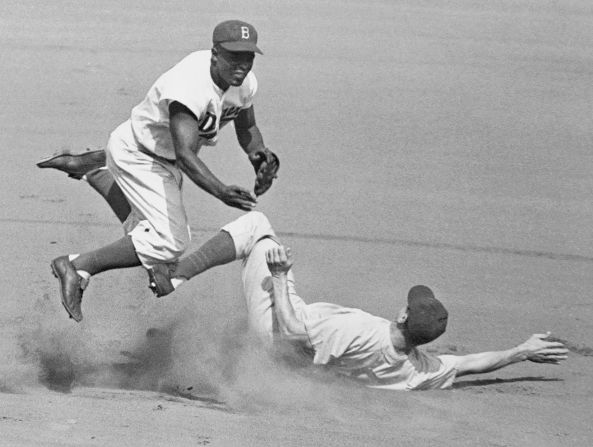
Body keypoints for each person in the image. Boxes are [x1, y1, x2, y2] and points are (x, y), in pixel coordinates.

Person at [146, 211, 569, 391]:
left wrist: (278, 279)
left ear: (403, 314)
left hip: (278, 340)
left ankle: (175, 276)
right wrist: (520, 352)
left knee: (258, 227)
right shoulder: (417, 371)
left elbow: (294, 332)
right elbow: (473, 363)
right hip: (301, 369)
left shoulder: (359, 330)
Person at [41, 20, 279, 323]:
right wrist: (220, 190)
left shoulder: (243, 83)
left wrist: (260, 159)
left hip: (160, 161)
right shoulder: (189, 86)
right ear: (215, 53)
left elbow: (249, 129)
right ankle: (76, 267)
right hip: (139, 156)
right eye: (234, 57)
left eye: (249, 57)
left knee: (148, 240)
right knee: (170, 241)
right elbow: (186, 155)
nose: (242, 65)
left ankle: (97, 170)